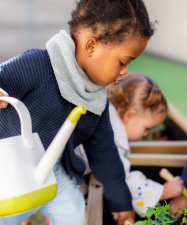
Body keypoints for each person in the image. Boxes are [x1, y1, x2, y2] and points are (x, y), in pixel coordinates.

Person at [0, 0, 154, 224]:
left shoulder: (96, 101)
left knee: (74, 213)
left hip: (50, 173)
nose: (125, 72)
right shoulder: (38, 65)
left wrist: (121, 204)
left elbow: (105, 156)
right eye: (122, 62)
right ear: (91, 46)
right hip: (3, 176)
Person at [77, 73, 185, 218]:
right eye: (146, 128)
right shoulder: (115, 136)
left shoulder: (105, 109)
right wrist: (163, 191)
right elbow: (121, 180)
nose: (146, 134)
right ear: (129, 115)